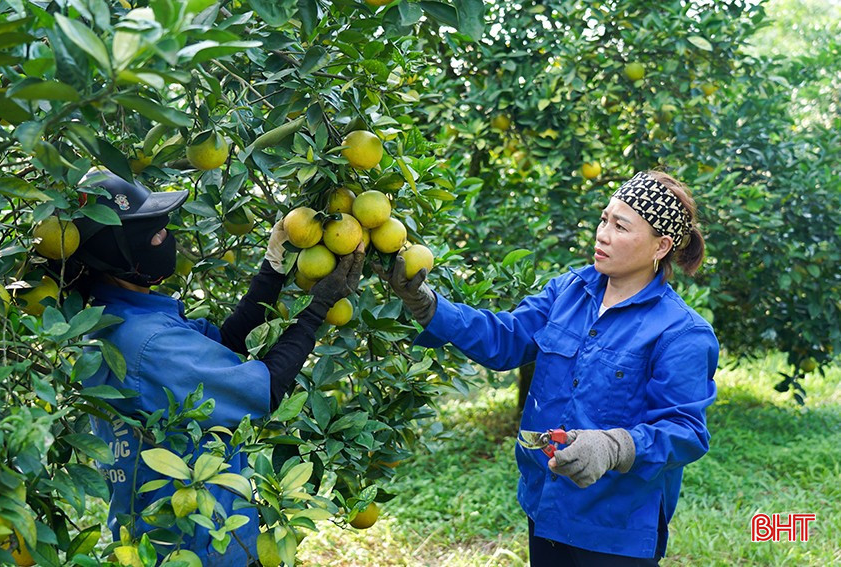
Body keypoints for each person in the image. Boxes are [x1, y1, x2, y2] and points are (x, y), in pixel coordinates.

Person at [379, 171, 718, 565]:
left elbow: (685, 432)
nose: (602, 234)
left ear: (661, 245)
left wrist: (614, 446)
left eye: (621, 226)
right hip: (545, 503)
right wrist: (428, 305)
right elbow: (506, 340)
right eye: (604, 219)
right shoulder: (568, 291)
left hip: (613, 528)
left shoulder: (682, 332)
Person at [69, 171, 364, 566]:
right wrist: (316, 311)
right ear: (119, 253)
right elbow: (265, 387)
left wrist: (273, 269)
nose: (166, 238)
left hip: (177, 538)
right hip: (199, 547)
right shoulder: (150, 344)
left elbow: (223, 346)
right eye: (155, 233)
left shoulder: (120, 319)